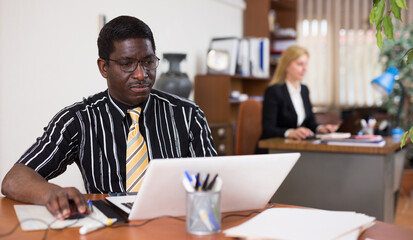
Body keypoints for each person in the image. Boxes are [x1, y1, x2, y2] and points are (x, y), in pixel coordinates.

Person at [1, 15, 216, 220]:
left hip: (173, 225)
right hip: (108, 229)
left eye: (149, 62)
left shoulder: (188, 115)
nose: (141, 74)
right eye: (127, 64)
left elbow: (214, 182)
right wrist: (51, 193)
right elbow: (14, 179)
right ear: (104, 68)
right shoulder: (79, 120)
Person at [260, 45, 338, 141]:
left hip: (295, 145)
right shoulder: (274, 91)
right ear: (286, 66)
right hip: (274, 148)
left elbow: (310, 122)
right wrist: (290, 132)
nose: (305, 69)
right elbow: (268, 129)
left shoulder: (304, 90)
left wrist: (321, 128)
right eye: (300, 64)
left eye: (306, 64)